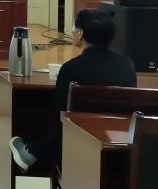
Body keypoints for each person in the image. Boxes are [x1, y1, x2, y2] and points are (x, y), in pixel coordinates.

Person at [8, 10, 136, 173]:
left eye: (74, 27)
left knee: (54, 118)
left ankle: (32, 152)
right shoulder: (127, 66)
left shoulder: (71, 69)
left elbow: (59, 118)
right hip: (120, 155)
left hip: (77, 152)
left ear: (80, 33)